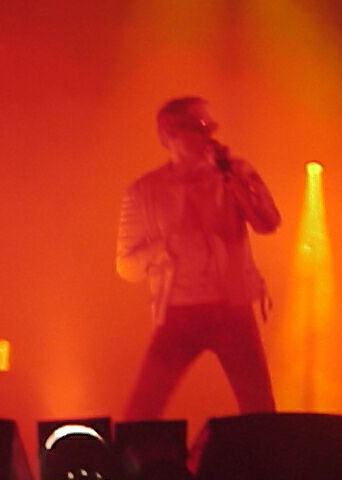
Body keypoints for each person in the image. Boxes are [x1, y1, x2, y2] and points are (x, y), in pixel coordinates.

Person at [116, 96, 281, 420]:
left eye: (210, 127)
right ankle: (139, 453)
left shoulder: (235, 173)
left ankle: (264, 453)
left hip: (232, 309)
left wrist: (234, 179)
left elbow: (268, 223)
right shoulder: (143, 192)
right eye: (199, 128)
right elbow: (126, 266)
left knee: (259, 410)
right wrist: (166, 247)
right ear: (170, 135)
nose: (209, 135)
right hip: (178, 313)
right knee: (141, 412)